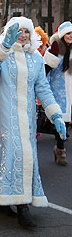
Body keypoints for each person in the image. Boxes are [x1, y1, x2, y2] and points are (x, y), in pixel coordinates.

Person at [0, 18, 66, 228]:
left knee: (18, 155)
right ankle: (20, 205)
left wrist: (55, 114)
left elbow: (43, 88)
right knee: (10, 154)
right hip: (3, 115)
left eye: (26, 32)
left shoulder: (36, 59)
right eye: (18, 31)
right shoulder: (4, 55)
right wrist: (4, 47)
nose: (23, 35)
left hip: (27, 118)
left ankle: (11, 202)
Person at [43, 22, 72, 165]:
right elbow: (44, 72)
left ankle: (60, 148)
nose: (71, 36)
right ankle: (60, 150)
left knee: (66, 122)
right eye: (68, 33)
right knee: (62, 121)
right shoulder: (55, 49)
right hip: (57, 91)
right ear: (62, 35)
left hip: (70, 90)